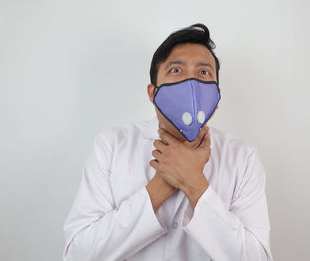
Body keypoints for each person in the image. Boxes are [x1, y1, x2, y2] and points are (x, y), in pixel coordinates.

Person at [63, 24, 273, 261]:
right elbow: (78, 254)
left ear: (216, 96)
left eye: (203, 73)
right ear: (153, 93)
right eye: (176, 70)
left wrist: (194, 183)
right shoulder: (111, 145)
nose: (191, 83)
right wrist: (161, 185)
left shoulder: (242, 158)